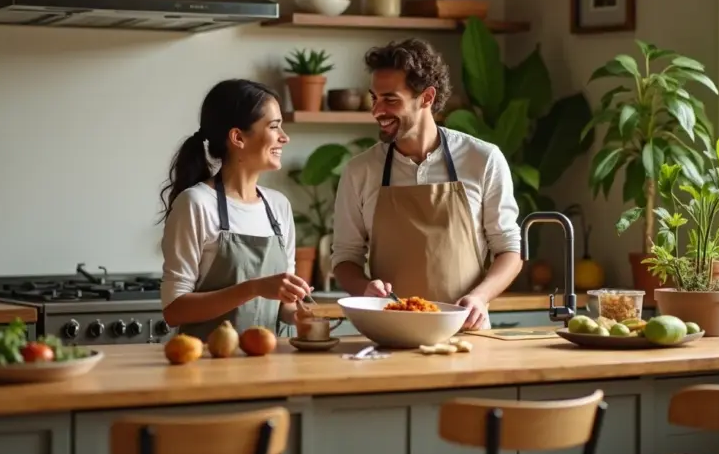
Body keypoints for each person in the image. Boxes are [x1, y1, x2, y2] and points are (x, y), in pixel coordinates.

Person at [331, 38, 524, 330]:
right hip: (390, 330)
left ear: (427, 98)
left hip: (465, 330)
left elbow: (509, 248)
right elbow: (345, 257)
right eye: (374, 98)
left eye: (390, 99)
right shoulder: (360, 170)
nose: (377, 111)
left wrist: (480, 297)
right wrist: (364, 288)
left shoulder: (482, 159)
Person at [158, 79, 312, 341]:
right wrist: (253, 288)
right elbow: (174, 310)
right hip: (206, 360)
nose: (284, 137)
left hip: (267, 359)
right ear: (238, 137)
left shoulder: (278, 206)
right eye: (274, 126)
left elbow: (284, 304)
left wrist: (303, 315)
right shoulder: (196, 203)